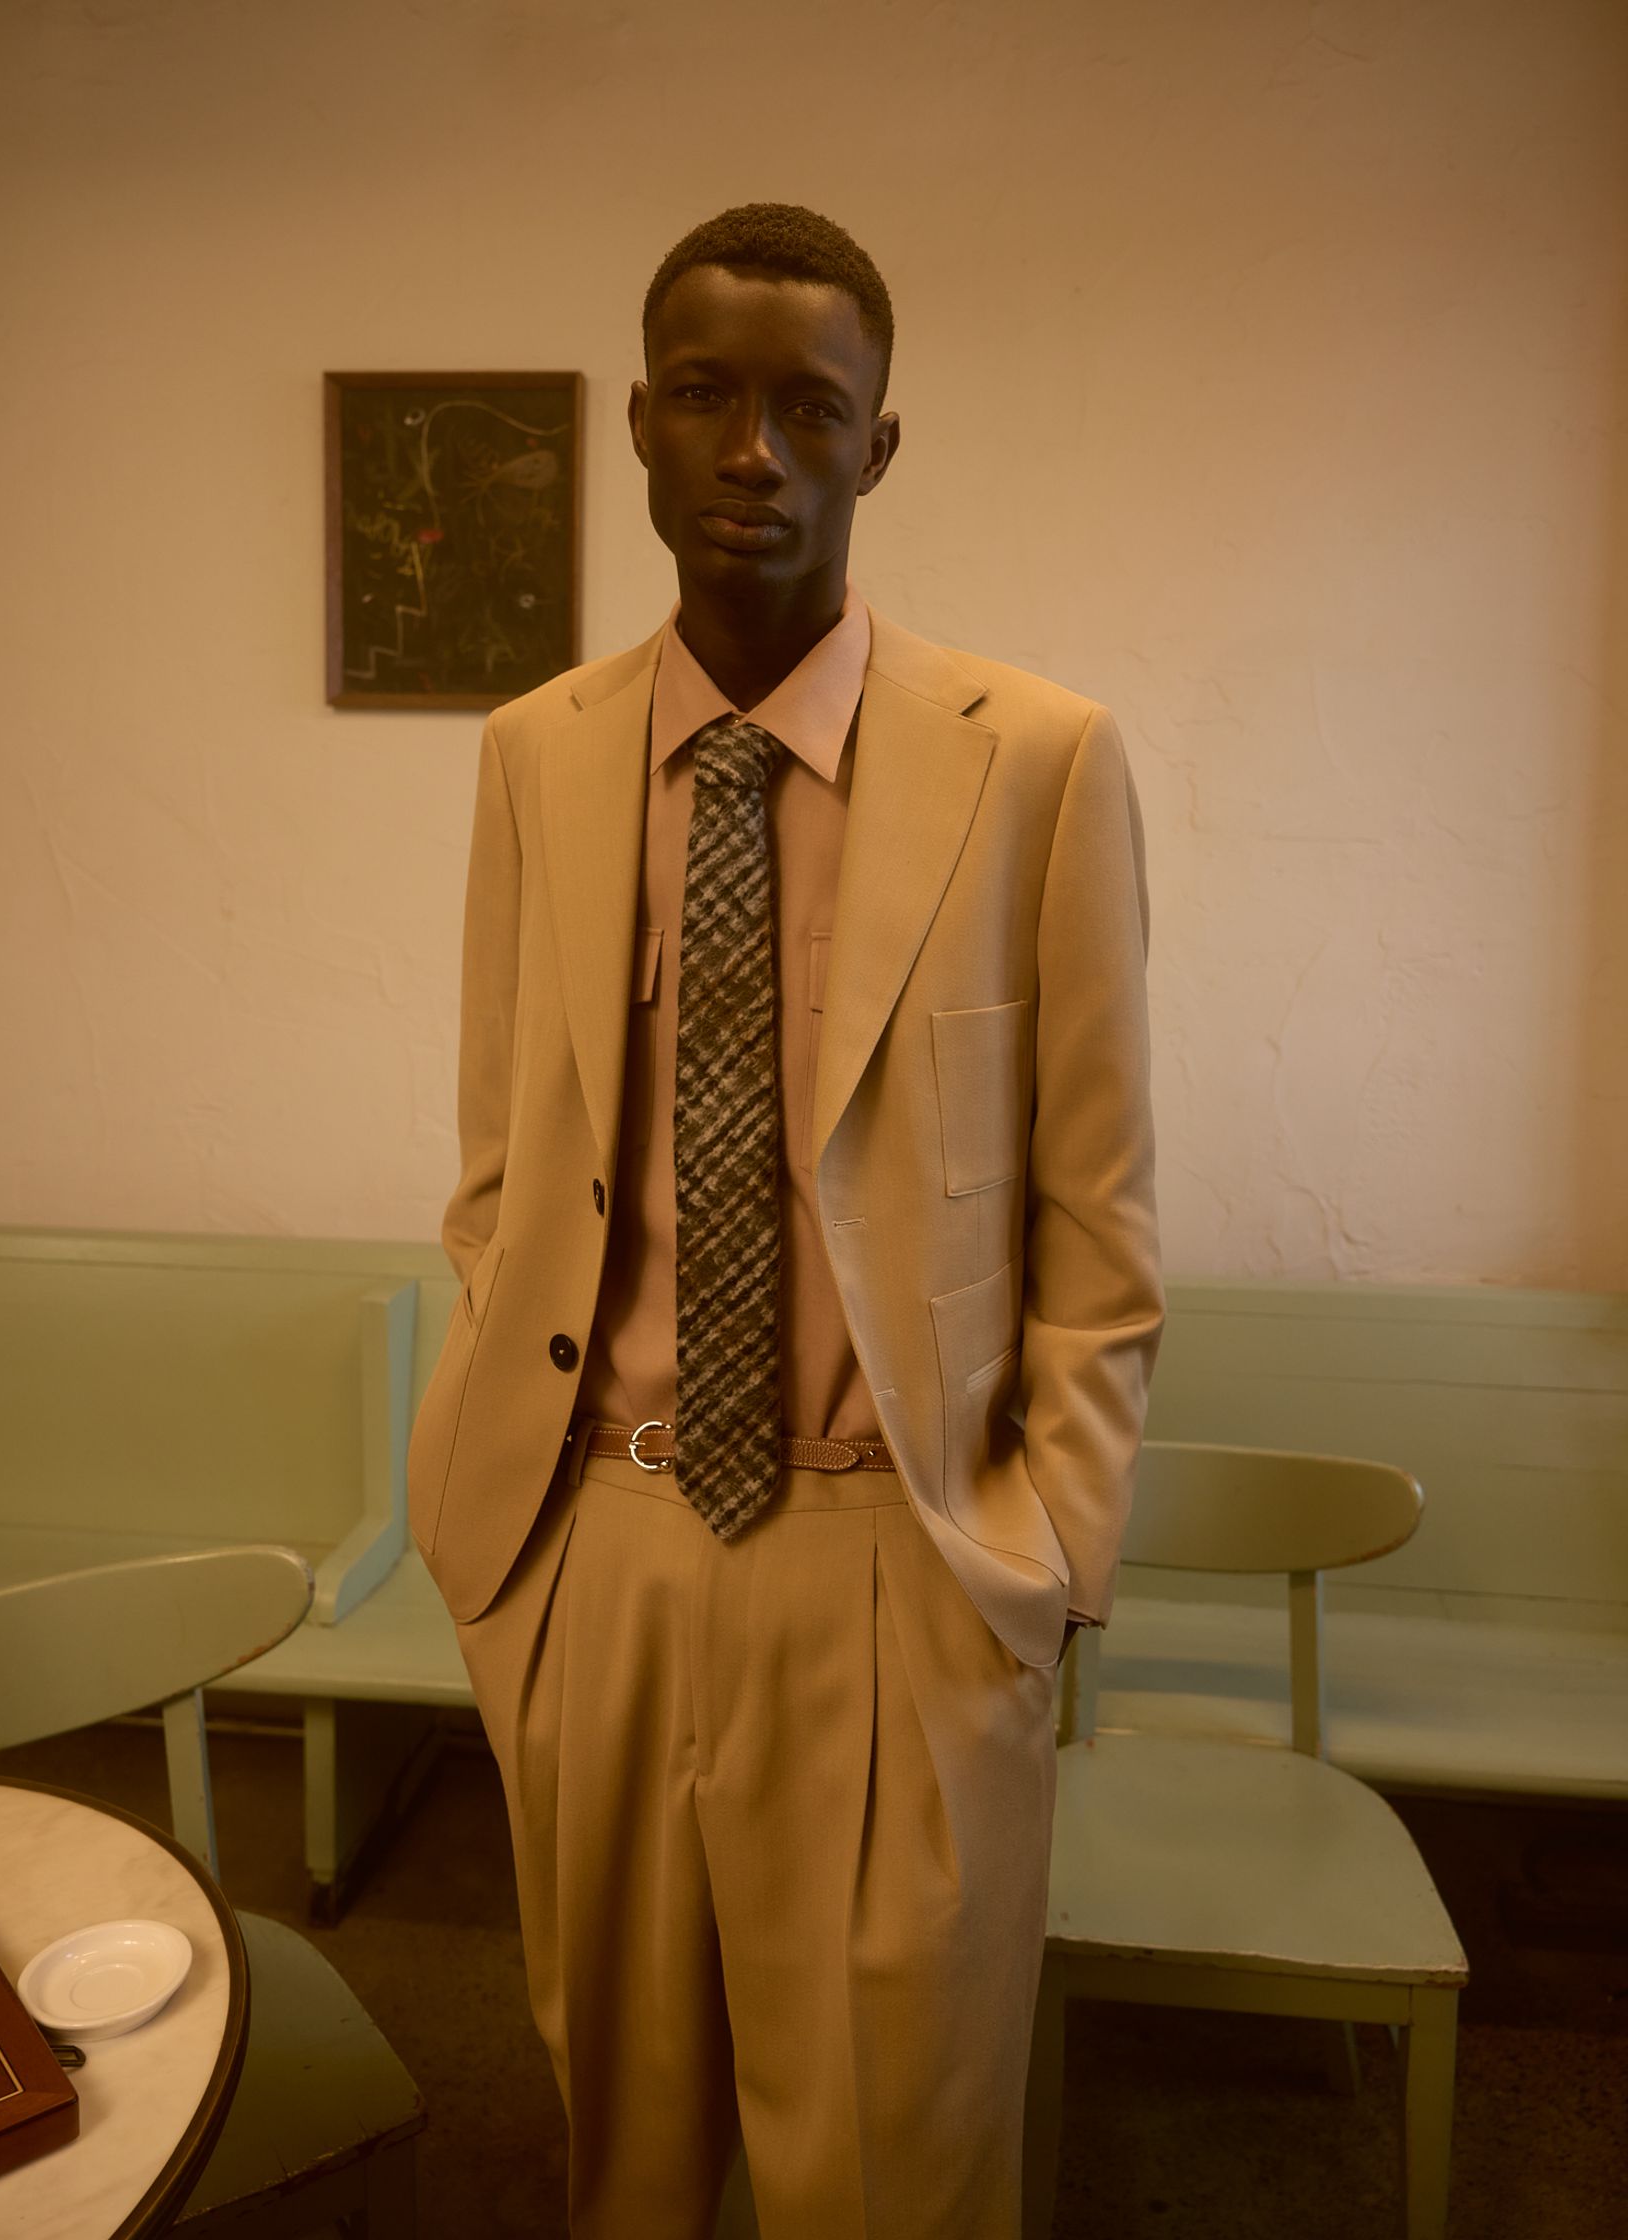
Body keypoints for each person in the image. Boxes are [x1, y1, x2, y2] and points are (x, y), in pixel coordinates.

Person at [408, 201, 1164, 2240]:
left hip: (899, 1562)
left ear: (877, 448)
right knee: (622, 2158)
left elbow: (1101, 1233)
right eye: (705, 397)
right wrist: (513, 1566)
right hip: (604, 1545)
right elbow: (500, 1165)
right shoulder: (532, 758)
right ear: (639, 428)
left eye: (808, 407)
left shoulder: (1043, 769)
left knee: (899, 2172)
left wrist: (1032, 1578)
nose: (753, 449)